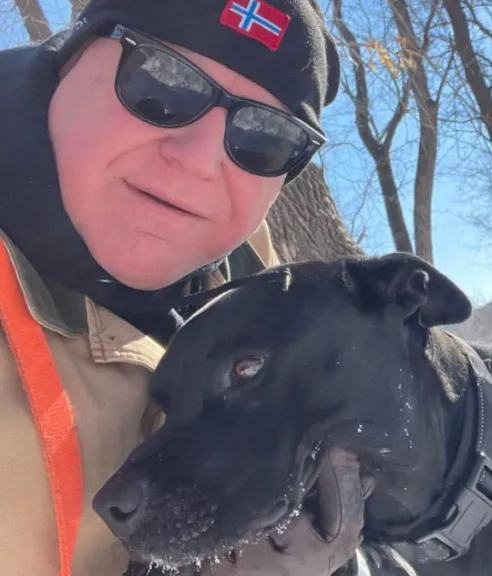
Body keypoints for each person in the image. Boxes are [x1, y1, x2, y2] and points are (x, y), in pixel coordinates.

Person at [0, 0, 369, 573]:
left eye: (265, 137)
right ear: (71, 58)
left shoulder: (258, 286)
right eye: (164, 83)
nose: (200, 160)